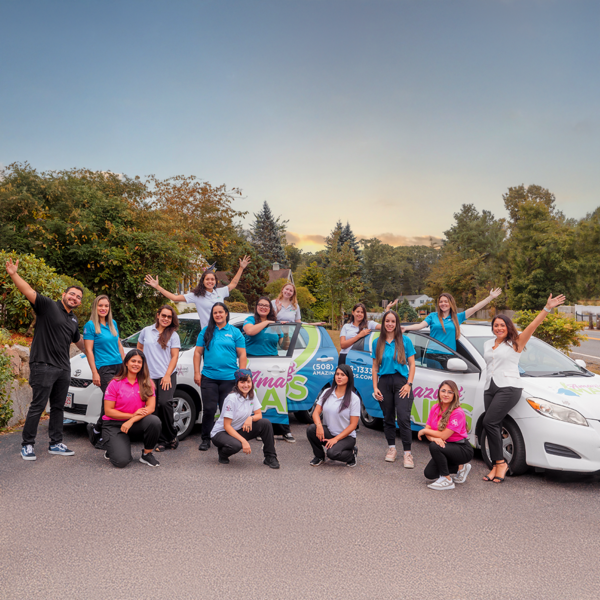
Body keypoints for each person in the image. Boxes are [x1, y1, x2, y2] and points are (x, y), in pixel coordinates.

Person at [5, 258, 86, 461]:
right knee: (38, 406)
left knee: (58, 407)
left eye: (78, 297)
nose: (75, 298)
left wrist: (98, 349)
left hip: (63, 368)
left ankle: (56, 443)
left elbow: (80, 343)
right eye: (72, 294)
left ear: (79, 302)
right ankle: (27, 444)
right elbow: (28, 291)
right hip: (43, 365)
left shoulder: (73, 320)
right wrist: (14, 274)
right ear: (64, 295)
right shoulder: (48, 306)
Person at [482, 294, 565, 483]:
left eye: (502, 325)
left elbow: (533, 325)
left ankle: (501, 463)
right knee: (493, 425)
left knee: (489, 421)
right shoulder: (487, 344)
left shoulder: (516, 342)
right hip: (489, 387)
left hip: (509, 387)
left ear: (508, 327)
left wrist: (547, 308)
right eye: (496, 325)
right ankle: (496, 465)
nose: (499, 328)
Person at [194, 302, 247, 451]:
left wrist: (242, 375)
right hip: (209, 377)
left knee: (227, 410)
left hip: (229, 378)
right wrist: (197, 372)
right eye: (215, 312)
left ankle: (226, 438)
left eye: (220, 312)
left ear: (226, 313)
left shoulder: (235, 332)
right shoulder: (206, 331)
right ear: (212, 315)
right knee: (209, 409)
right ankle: (206, 439)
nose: (218, 315)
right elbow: (197, 352)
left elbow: (242, 354)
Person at [144, 256, 251, 328]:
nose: (210, 281)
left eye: (212, 279)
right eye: (207, 279)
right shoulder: (196, 296)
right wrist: (157, 286)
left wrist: (241, 268)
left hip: (222, 330)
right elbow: (174, 298)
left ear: (215, 281)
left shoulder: (220, 292)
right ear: (202, 281)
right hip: (208, 333)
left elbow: (233, 284)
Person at [403, 289, 502, 366]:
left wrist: (490, 297)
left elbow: (475, 308)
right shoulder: (433, 316)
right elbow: (420, 325)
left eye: (446, 301)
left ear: (450, 303)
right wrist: (406, 328)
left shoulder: (457, 317)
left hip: (449, 355)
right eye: (441, 302)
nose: (443, 304)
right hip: (432, 354)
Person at [372, 309, 417, 468]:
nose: (390, 324)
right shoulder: (377, 342)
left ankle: (407, 453)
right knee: (388, 418)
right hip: (384, 382)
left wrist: (409, 384)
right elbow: (375, 367)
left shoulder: (405, 341)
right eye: (387, 321)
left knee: (403, 418)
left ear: (397, 323)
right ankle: (392, 448)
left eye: (393, 321)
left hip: (401, 383)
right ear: (383, 323)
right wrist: (375, 387)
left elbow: (412, 364)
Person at [102, 350, 162, 468]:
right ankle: (112, 448)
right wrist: (132, 415)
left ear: (143, 365)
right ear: (126, 363)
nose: (136, 364)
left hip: (134, 423)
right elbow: (108, 411)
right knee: (121, 461)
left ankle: (147, 454)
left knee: (154, 421)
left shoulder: (147, 383)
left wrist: (131, 420)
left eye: (139, 362)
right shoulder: (115, 383)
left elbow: (151, 408)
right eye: (133, 361)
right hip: (114, 424)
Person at [211, 369, 280, 469]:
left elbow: (259, 415)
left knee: (265, 423)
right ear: (237, 383)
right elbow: (227, 426)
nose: (246, 385)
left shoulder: (252, 394)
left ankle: (270, 457)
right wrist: (244, 441)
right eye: (242, 382)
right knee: (236, 445)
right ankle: (223, 453)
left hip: (238, 429)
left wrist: (250, 418)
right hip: (221, 433)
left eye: (248, 381)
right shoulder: (232, 398)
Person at [83, 295, 125, 448]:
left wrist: (125, 364)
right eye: (100, 305)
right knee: (112, 399)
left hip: (119, 366)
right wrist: (95, 372)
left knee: (111, 400)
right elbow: (89, 350)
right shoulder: (90, 326)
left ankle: (96, 430)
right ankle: (103, 435)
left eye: (106, 306)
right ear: (95, 307)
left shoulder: (113, 323)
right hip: (104, 367)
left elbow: (119, 345)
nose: (103, 308)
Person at [137, 305, 181, 452]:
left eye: (169, 317)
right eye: (163, 315)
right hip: (149, 376)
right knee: (153, 408)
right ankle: (163, 440)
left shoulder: (173, 335)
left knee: (164, 403)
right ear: (158, 315)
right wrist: (141, 369)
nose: (166, 319)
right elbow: (139, 349)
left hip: (166, 375)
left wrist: (167, 375)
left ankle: (171, 435)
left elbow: (174, 356)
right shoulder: (146, 331)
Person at [417, 380, 474, 490]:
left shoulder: (458, 412)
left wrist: (424, 432)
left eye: (450, 392)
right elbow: (429, 430)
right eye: (443, 391)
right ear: (439, 392)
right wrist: (434, 438)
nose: (446, 394)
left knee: (434, 446)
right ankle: (460, 468)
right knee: (429, 473)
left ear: (454, 395)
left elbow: (442, 435)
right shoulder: (435, 408)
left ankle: (447, 480)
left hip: (462, 448)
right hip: (446, 446)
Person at [306, 364, 360, 467]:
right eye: (337, 374)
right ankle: (319, 456)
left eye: (343, 375)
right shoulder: (327, 392)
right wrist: (319, 426)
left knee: (332, 453)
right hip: (330, 432)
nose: (339, 377)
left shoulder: (354, 399)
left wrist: (336, 439)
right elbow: (316, 412)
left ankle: (351, 455)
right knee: (311, 429)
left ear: (349, 378)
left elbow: (353, 425)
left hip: (346, 437)